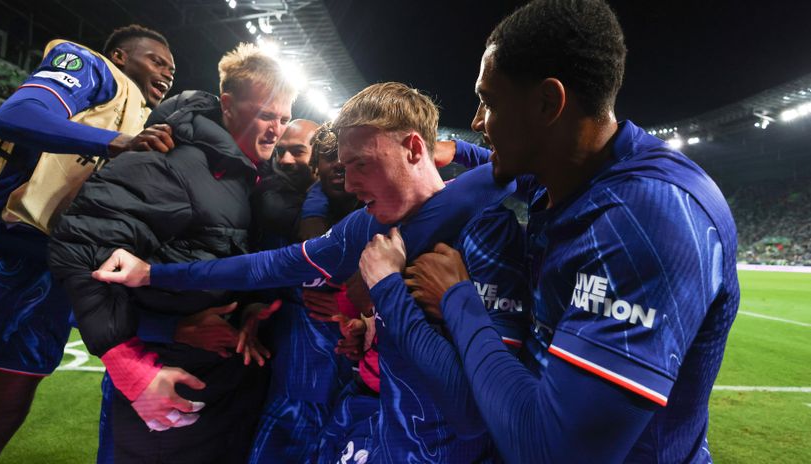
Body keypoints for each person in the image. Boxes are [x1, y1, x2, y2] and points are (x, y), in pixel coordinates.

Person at [367, 1, 741, 462]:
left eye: (490, 101)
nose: (479, 121)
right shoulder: (567, 173)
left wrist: (457, 299)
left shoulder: (650, 221)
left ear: (548, 103)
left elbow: (553, 452)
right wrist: (459, 152)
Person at [89, 82, 529, 462]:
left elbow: (476, 413)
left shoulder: (488, 229)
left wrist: (388, 290)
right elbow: (269, 266)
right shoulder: (368, 223)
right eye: (342, 165)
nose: (350, 183)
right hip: (386, 431)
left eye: (361, 163)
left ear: (414, 148)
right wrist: (152, 274)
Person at [48, 42, 297, 463]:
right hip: (173, 381)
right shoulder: (170, 162)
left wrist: (253, 306)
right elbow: (80, 246)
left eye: (284, 118)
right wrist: (129, 363)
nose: (276, 130)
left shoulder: (255, 175)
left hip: (226, 381)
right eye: (266, 115)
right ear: (228, 105)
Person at [0, 24, 175, 461]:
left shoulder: (150, 125)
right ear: (122, 56)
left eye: (172, 68)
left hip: (57, 274)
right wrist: (116, 141)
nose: (167, 72)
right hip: (0, 249)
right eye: (156, 60)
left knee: (12, 391)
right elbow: (17, 114)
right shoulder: (93, 68)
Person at [248, 122, 364, 463]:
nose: (286, 161)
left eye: (297, 150)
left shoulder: (387, 213)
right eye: (331, 157)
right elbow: (261, 270)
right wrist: (253, 306)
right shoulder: (279, 209)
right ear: (318, 166)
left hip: (356, 373)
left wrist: (354, 303)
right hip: (299, 371)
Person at [250, 118, 320, 250]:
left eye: (298, 151)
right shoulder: (269, 193)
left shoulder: (338, 190)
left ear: (320, 155)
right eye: (280, 151)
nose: (285, 160)